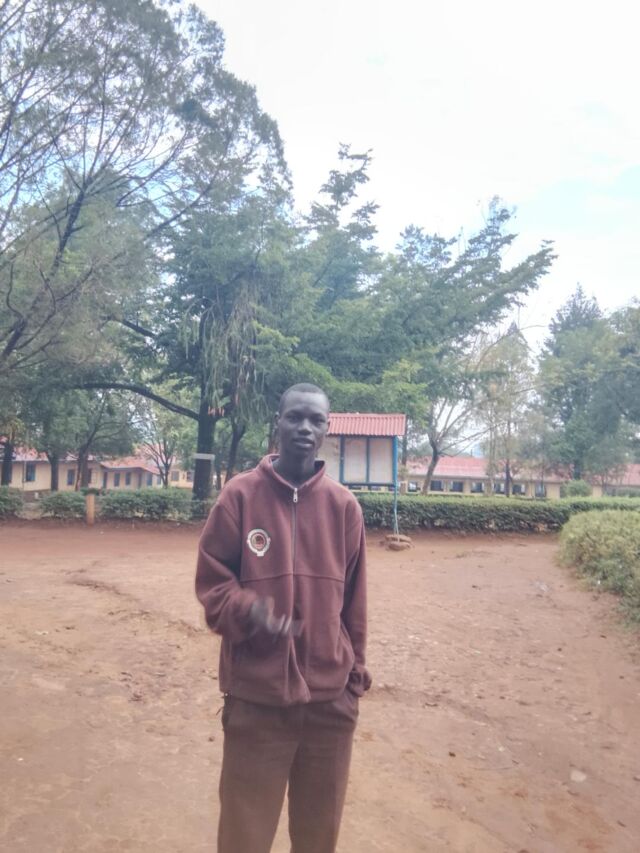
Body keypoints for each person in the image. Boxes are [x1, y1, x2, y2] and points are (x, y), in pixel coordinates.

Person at [195, 382, 370, 853]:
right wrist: (248, 610)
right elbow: (212, 584)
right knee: (243, 837)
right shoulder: (240, 496)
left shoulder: (344, 508)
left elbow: (354, 604)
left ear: (327, 430)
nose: (304, 428)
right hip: (258, 700)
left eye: (316, 420)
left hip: (329, 707)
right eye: (295, 417)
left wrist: (353, 678)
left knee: (317, 837)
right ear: (278, 422)